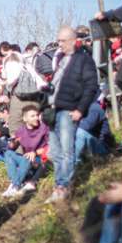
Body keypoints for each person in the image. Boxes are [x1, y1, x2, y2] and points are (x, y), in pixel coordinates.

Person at [46, 26, 99, 203]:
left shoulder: (84, 60)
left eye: (62, 40)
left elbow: (91, 86)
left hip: (69, 110)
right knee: (55, 151)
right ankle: (58, 186)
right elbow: (55, 85)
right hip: (53, 109)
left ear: (72, 40)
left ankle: (63, 187)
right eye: (58, 40)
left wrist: (80, 109)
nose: (58, 44)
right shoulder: (61, 60)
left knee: (67, 150)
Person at [2, 105, 49, 197]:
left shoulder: (44, 128)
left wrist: (35, 153)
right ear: (25, 119)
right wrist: (14, 142)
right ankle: (15, 183)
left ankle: (15, 186)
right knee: (8, 153)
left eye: (37, 115)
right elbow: (11, 148)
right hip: (26, 159)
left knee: (27, 157)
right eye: (32, 116)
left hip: (39, 160)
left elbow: (49, 148)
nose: (36, 118)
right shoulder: (21, 130)